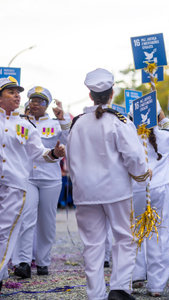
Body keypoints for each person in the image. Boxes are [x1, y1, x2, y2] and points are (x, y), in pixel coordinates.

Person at [67, 68, 150, 300]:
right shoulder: (119, 121)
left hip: (85, 192)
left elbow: (71, 159)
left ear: (90, 95)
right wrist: (142, 174)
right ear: (112, 93)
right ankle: (119, 288)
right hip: (115, 191)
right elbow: (133, 156)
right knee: (124, 238)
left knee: (92, 244)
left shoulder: (77, 124)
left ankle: (95, 294)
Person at [0, 77, 65, 291]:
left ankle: (38, 262)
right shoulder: (18, 121)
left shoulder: (33, 125)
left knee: (37, 223)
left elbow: (41, 152)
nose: (18, 96)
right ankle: (20, 263)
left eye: (18, 92)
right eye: (11, 92)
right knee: (18, 224)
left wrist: (55, 153)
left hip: (33, 181)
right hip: (18, 181)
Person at [12, 87, 71, 279]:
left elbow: (70, 139)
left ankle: (43, 261)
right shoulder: (20, 122)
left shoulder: (54, 124)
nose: (35, 104)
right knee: (26, 218)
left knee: (46, 222)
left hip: (50, 179)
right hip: (27, 177)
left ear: (47, 105)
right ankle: (23, 262)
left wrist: (63, 119)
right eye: (33, 100)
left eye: (41, 101)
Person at [131, 106, 169, 297]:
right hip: (157, 188)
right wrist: (161, 116)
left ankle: (135, 273)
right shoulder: (162, 135)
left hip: (135, 188)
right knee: (158, 233)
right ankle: (156, 285)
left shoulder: (129, 135)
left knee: (135, 230)